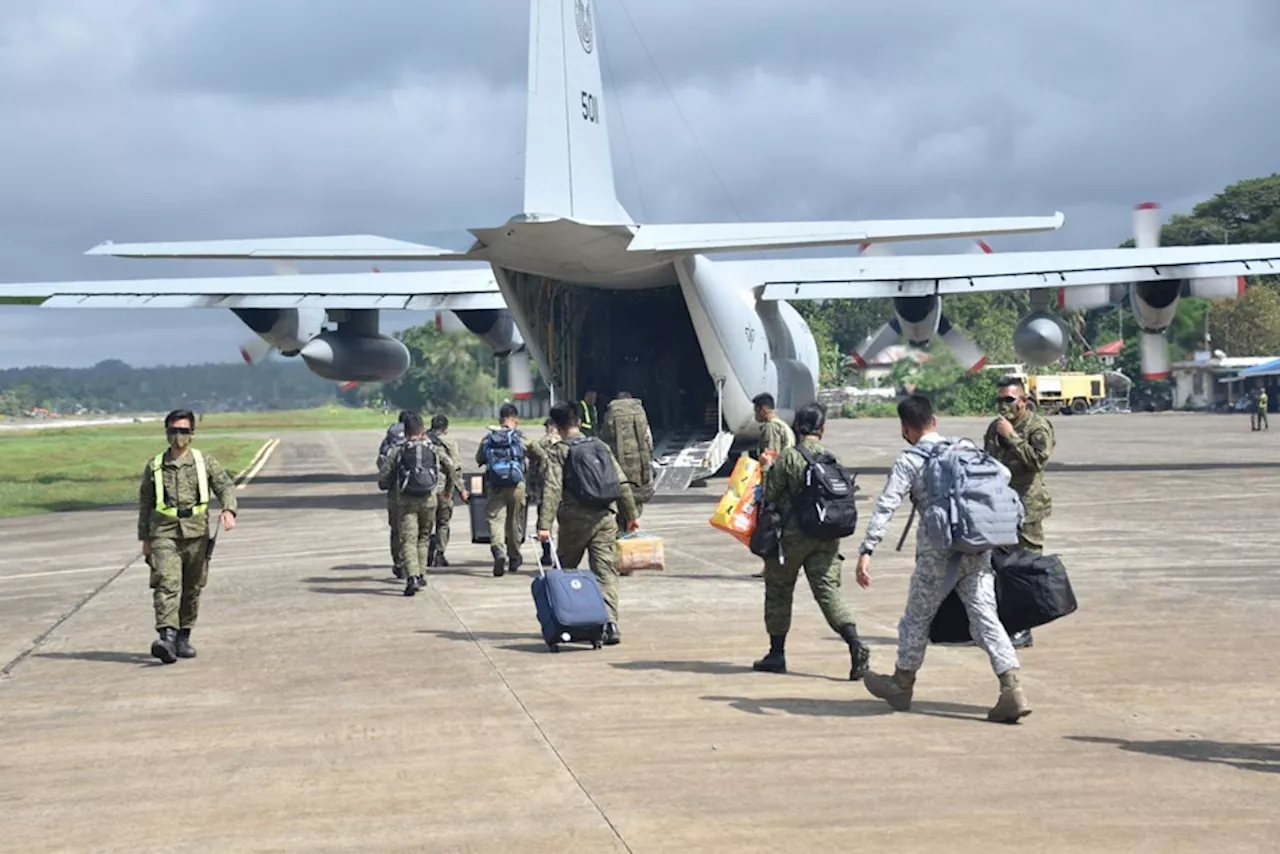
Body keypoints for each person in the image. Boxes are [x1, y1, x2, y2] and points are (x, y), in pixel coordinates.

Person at [855, 394, 1031, 724]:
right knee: (985, 618)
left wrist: (867, 549)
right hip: (977, 547)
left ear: (905, 428)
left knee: (915, 619)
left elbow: (887, 505)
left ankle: (902, 684)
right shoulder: (964, 448)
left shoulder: (910, 460)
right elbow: (1003, 476)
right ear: (934, 421)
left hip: (937, 553)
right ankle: (1012, 688)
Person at [752, 402, 870, 680]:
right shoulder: (831, 460)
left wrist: (767, 467)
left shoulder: (790, 458)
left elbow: (770, 494)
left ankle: (776, 653)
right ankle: (855, 643)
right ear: (823, 429)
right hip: (826, 537)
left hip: (792, 538)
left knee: (779, 590)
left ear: (798, 427)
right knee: (828, 593)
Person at [137, 409, 239, 663]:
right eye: (173, 431)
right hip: (164, 532)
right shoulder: (155, 465)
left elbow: (224, 485)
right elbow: (145, 503)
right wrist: (145, 539)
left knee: (192, 587)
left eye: (183, 431)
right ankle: (166, 638)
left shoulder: (205, 462)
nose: (178, 436)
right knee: (167, 583)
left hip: (196, 532)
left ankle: (183, 636)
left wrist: (229, 509)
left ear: (192, 433)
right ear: (166, 433)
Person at [537, 401, 640, 645]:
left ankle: (569, 619)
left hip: (574, 522)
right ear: (578, 421)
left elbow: (552, 488)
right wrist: (632, 514)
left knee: (565, 572)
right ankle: (610, 624)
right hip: (605, 517)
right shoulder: (599, 445)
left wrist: (544, 525)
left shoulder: (560, 450)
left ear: (557, 426)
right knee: (605, 573)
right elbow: (621, 481)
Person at [982, 377, 1054, 649]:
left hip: (1028, 507)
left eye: (1009, 400)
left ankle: (1024, 629)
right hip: (1000, 507)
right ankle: (1005, 624)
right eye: (1000, 400)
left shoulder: (1037, 427)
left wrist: (1011, 436)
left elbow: (1037, 461)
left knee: (1026, 569)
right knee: (1000, 567)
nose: (1004, 405)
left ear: (1024, 401)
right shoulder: (994, 428)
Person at [379, 413, 454, 596]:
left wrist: (386, 484)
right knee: (424, 537)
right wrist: (447, 490)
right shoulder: (433, 448)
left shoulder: (399, 450)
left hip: (406, 501)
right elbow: (450, 466)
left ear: (405, 432)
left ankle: (411, 576)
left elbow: (384, 476)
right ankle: (421, 574)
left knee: (408, 539)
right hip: (429, 499)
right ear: (422, 430)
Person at [476, 402, 527, 576]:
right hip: (516, 484)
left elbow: (480, 458)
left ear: (500, 419)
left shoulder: (489, 438)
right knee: (514, 521)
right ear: (516, 420)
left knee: (495, 520)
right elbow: (538, 453)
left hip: (495, 484)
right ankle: (514, 557)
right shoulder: (520, 437)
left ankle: (498, 550)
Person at [750, 392, 796, 579]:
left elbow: (770, 458)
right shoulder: (784, 426)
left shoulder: (770, 429)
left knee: (770, 526)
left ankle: (773, 566)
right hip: (786, 483)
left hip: (777, 485)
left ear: (763, 409)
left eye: (756, 410)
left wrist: (767, 489)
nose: (754, 415)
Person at [599, 391, 655, 531]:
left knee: (622, 496)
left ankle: (623, 526)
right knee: (637, 497)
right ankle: (632, 525)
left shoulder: (612, 413)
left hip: (619, 464)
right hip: (641, 464)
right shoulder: (640, 412)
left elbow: (605, 437)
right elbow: (648, 438)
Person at [426, 414, 468, 566]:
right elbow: (454, 468)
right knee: (443, 523)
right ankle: (440, 554)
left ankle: (426, 551)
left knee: (425, 524)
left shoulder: (423, 441)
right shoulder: (449, 443)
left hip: (425, 491)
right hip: (443, 490)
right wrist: (461, 490)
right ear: (445, 429)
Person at [376, 410, 413, 579]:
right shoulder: (417, 437)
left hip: (395, 492)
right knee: (414, 531)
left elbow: (382, 464)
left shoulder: (390, 440)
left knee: (396, 529)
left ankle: (399, 562)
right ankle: (414, 566)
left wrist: (385, 482)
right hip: (415, 491)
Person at [525, 417, 561, 566]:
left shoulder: (540, 444)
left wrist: (531, 489)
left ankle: (547, 554)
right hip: (564, 489)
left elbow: (532, 469)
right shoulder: (565, 443)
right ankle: (562, 555)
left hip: (544, 489)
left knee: (544, 522)